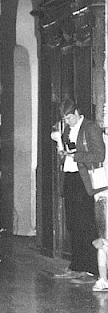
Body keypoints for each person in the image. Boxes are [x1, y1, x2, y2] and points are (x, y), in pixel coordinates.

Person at [52, 99, 108, 291]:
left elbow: (99, 155)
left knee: (85, 224)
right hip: (70, 178)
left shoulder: (90, 128)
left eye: (69, 117)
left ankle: (90, 270)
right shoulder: (68, 130)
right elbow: (66, 153)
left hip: (83, 179)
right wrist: (61, 148)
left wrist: (75, 156)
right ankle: (76, 266)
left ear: (77, 112)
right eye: (65, 119)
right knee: (73, 224)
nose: (68, 122)